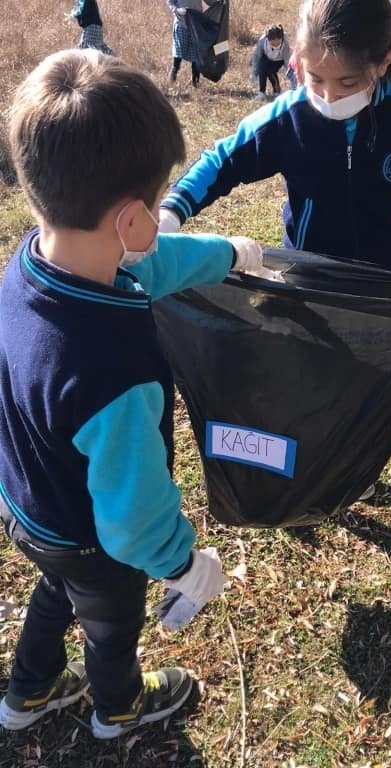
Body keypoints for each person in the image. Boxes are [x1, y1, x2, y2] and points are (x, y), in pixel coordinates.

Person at [0, 49, 262, 738]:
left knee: (57, 591)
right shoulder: (115, 371)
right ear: (133, 220)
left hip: (30, 508)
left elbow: (152, 265)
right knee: (110, 625)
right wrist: (184, 562)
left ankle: (26, 692)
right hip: (93, 539)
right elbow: (132, 516)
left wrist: (229, 253)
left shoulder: (31, 262)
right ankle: (117, 708)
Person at [160, 0, 391, 308]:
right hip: (303, 276)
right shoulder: (287, 118)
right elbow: (220, 162)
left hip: (380, 278)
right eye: (315, 79)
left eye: (348, 84)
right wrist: (170, 214)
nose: (330, 97)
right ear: (298, 60)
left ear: (383, 63)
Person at [167, 0, 220, 87]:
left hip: (196, 25)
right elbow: (170, 2)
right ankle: (171, 81)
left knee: (196, 55)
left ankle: (195, 83)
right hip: (181, 23)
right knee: (178, 54)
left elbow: (209, 1)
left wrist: (219, 2)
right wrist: (176, 10)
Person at [251, 25, 295, 100]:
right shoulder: (262, 41)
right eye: (273, 43)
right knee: (262, 69)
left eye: (278, 43)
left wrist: (291, 77)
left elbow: (287, 61)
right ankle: (262, 92)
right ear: (268, 39)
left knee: (271, 71)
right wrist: (254, 73)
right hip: (266, 57)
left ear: (281, 38)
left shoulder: (285, 43)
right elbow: (256, 56)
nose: (275, 44)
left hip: (279, 59)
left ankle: (277, 91)